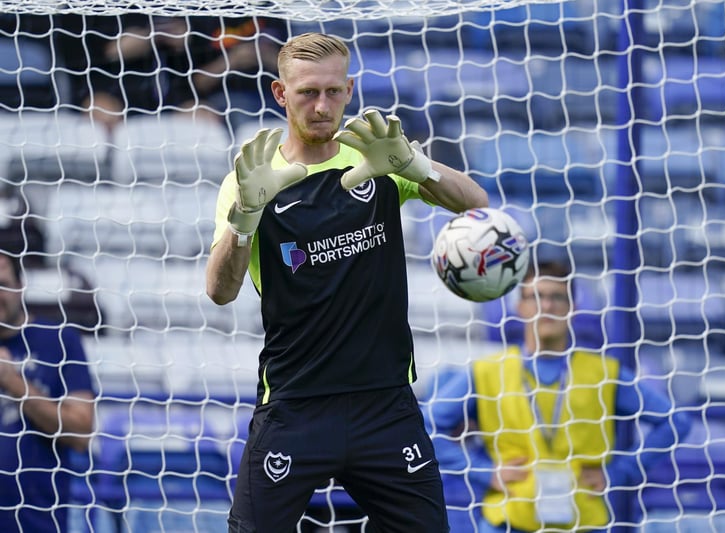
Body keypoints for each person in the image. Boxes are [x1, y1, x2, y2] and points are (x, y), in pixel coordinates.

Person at [205, 32, 488, 532]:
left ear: (351, 89)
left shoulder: (375, 155)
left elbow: (474, 203)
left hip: (385, 403)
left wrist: (414, 164)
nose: (321, 105)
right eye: (308, 92)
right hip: (294, 404)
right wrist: (244, 216)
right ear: (279, 93)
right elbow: (220, 291)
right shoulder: (249, 180)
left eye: (334, 92)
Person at [424, 259, 693, 532]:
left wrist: (618, 473)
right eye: (535, 296)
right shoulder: (487, 371)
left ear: (572, 308)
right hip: (508, 521)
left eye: (557, 297)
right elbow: (426, 426)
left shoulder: (603, 373)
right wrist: (484, 471)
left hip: (584, 522)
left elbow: (676, 422)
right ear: (520, 307)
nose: (547, 306)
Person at [56, 14, 287, 133]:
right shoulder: (86, 9)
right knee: (102, 113)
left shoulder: (172, 7)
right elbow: (100, 51)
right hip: (105, 87)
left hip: (166, 91)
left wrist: (184, 36)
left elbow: (186, 63)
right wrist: (148, 37)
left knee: (204, 118)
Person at [0, 253, 97, 532]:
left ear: (20, 286)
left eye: (2, 284)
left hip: (38, 523)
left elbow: (80, 433)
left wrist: (12, 381)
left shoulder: (59, 340)